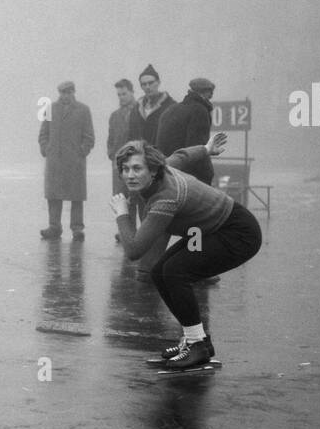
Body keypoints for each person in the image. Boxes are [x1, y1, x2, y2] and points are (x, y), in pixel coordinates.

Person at [111, 133, 261, 370]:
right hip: (211, 229)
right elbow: (181, 156)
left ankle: (196, 345)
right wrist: (206, 148)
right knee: (160, 271)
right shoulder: (163, 167)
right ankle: (198, 340)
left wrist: (121, 214)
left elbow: (134, 249)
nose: (130, 175)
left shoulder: (165, 198)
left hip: (239, 233)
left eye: (137, 168)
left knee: (175, 272)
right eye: (125, 169)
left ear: (152, 170)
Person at [39, 81, 95, 240]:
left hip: (75, 161)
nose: (65, 96)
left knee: (76, 197)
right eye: (62, 93)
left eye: (68, 92)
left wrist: (82, 151)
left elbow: (89, 136)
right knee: (53, 196)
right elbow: (43, 133)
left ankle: (77, 229)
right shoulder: (50, 109)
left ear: (73, 92)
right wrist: (46, 149)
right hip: (54, 160)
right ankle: (54, 227)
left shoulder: (83, 110)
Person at [157, 77, 218, 185]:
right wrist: (207, 177)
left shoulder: (170, 110)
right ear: (205, 93)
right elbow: (198, 150)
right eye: (209, 95)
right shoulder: (199, 111)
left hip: (167, 176)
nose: (210, 98)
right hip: (189, 181)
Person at [127, 64, 177, 150]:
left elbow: (175, 136)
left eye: (150, 83)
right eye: (143, 84)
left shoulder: (171, 106)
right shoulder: (136, 109)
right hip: (140, 157)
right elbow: (131, 136)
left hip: (162, 157)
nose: (147, 87)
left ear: (158, 82)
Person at [106, 79, 137, 199]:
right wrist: (111, 154)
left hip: (136, 164)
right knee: (119, 200)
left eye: (124, 94)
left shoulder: (140, 111)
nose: (121, 97)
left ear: (132, 92)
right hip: (118, 165)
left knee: (136, 200)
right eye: (119, 95)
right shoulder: (115, 115)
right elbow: (110, 139)